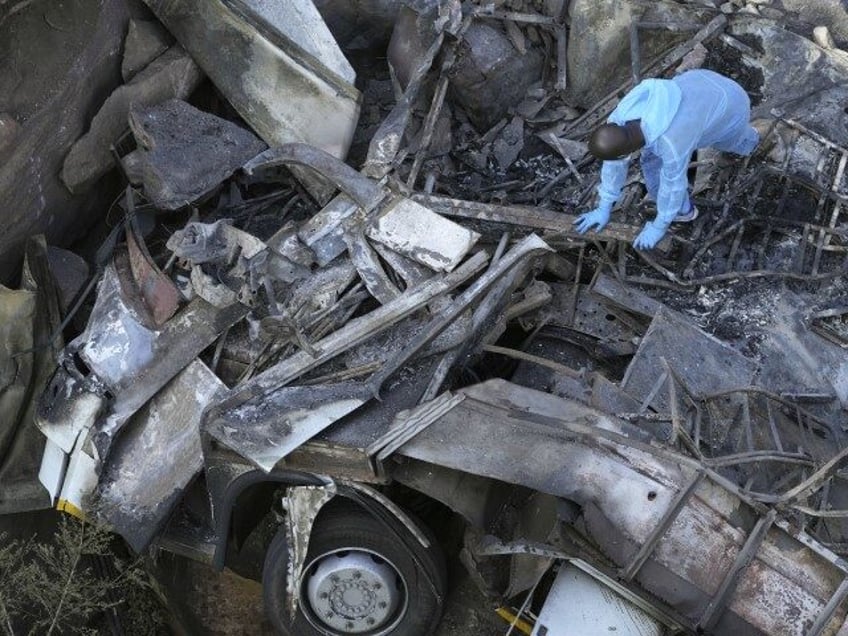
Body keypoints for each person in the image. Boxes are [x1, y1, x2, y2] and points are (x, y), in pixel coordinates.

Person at [573, 69, 760, 249]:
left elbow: (673, 184)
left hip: (731, 106)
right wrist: (604, 206)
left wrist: (659, 226)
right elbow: (614, 164)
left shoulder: (671, 143)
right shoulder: (623, 113)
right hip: (701, 80)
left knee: (733, 142)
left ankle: (685, 213)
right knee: (652, 161)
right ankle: (677, 210)